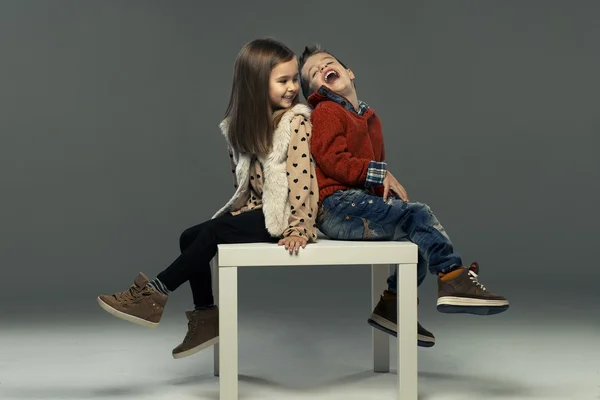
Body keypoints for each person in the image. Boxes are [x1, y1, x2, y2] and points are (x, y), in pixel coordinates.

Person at [97, 38, 318, 359]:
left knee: (212, 234)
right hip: (259, 210)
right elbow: (246, 185)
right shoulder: (239, 129)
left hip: (285, 218)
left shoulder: (296, 121)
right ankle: (206, 319)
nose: (292, 88)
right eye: (282, 80)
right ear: (255, 85)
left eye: (294, 79)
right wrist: (238, 216)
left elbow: (303, 181)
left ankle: (153, 295)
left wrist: (299, 227)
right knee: (190, 236)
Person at [298, 45, 509, 348]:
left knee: (417, 236)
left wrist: (386, 198)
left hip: (356, 203)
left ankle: (392, 305)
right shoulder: (327, 110)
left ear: (349, 72)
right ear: (313, 93)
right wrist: (377, 173)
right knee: (417, 214)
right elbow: (331, 159)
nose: (322, 70)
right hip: (336, 207)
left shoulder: (370, 119)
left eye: (328, 64)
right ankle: (452, 276)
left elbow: (373, 179)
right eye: (313, 74)